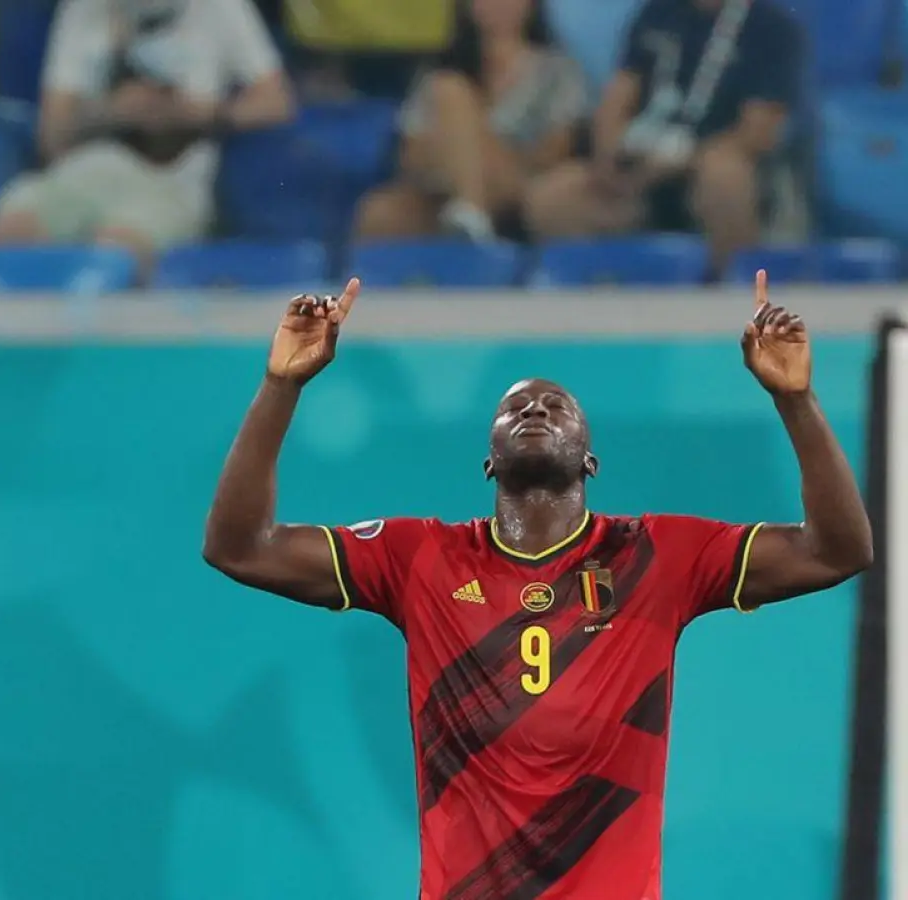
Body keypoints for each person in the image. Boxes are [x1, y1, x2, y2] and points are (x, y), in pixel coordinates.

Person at [201, 272, 871, 898]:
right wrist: (281, 385)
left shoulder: (658, 555)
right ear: (488, 460)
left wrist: (797, 399)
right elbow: (240, 547)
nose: (536, 410)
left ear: (590, 459)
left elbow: (837, 551)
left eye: (557, 406)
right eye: (516, 404)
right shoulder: (420, 556)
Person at [0, 0, 294, 275]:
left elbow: (277, 102)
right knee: (10, 231)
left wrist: (198, 114)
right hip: (81, 173)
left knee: (112, 253)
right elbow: (50, 137)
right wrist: (113, 111)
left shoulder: (219, 7)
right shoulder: (82, 8)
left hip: (169, 182)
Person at [521, 0, 803, 273]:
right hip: (643, 171)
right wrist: (608, 157)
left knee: (724, 176)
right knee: (552, 199)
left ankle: (730, 288)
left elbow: (758, 130)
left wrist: (682, 160)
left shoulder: (771, 27)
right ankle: (608, 289)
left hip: (705, 166)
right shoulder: (657, 13)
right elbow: (618, 96)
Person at [353, 0, 586, 243]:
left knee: (450, 92)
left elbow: (556, 150)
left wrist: (478, 148)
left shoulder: (557, 71)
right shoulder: (441, 68)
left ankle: (472, 210)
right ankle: (469, 216)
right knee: (380, 212)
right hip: (442, 186)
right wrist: (454, 159)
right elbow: (411, 152)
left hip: (520, 183)